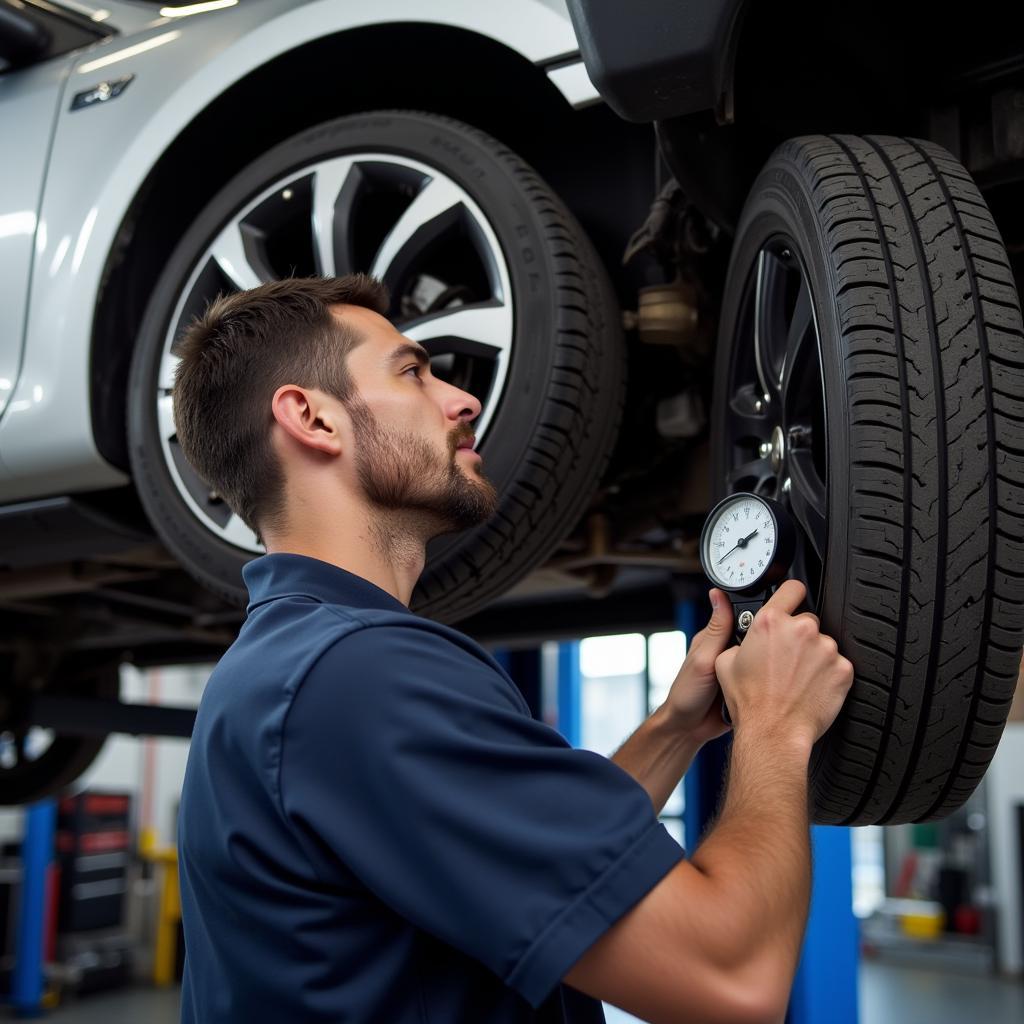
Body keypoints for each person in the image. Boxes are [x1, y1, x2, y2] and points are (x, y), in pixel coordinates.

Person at [173, 274, 854, 1024]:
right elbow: (732, 980)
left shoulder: (289, 668)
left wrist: (679, 727)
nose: (462, 401)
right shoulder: (357, 675)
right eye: (412, 371)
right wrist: (775, 724)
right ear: (312, 418)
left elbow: (541, 868)